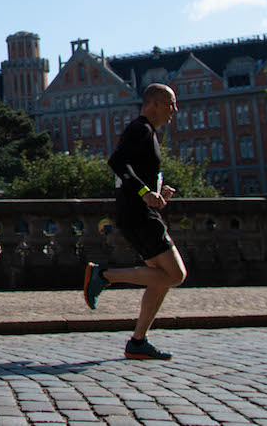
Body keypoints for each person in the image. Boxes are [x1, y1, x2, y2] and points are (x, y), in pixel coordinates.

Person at [83, 83, 187, 360]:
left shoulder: (148, 133)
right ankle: (103, 275)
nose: (174, 110)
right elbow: (117, 162)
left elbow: (135, 174)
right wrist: (144, 192)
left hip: (140, 213)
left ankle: (138, 342)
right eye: (170, 104)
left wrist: (158, 192)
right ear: (153, 103)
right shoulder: (140, 129)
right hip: (138, 215)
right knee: (176, 275)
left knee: (161, 279)